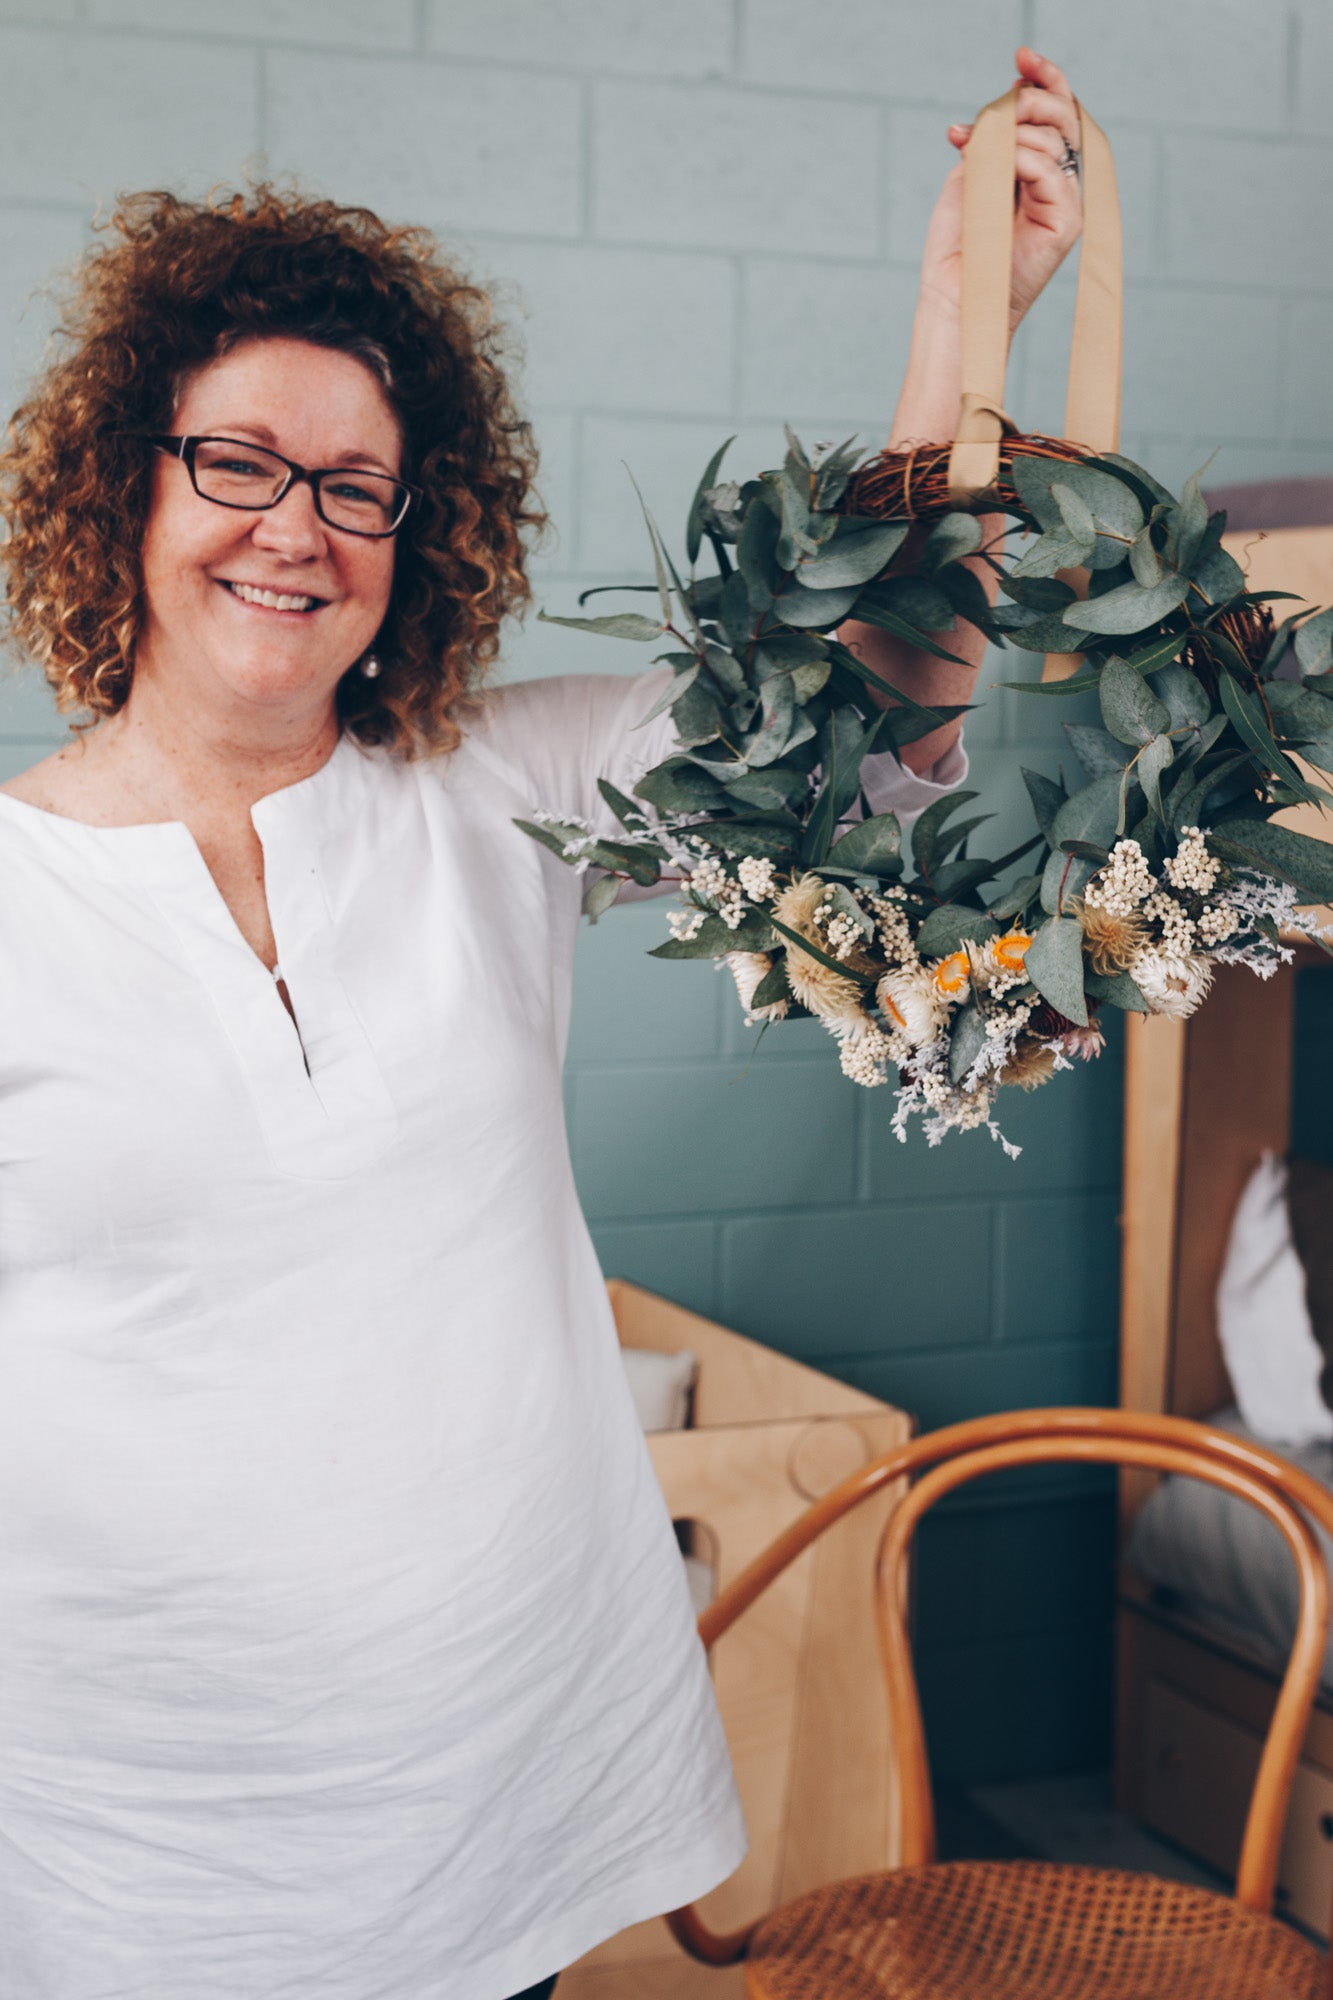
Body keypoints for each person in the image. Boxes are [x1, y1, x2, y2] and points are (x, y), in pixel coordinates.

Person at [0, 47, 1084, 2000]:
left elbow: (853, 709)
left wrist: (965, 319)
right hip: (128, 1868)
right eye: (236, 461)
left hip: (479, 1816)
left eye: (355, 485)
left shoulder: (496, 794)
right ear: (121, 486)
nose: (293, 527)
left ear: (424, 531)